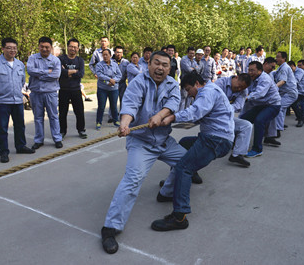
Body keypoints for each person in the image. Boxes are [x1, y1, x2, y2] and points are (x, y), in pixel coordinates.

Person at [101, 51, 186, 254]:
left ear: (169, 68)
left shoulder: (173, 84)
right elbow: (130, 105)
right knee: (132, 181)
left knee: (187, 162)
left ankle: (166, 192)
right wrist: (125, 124)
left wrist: (160, 115)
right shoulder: (139, 82)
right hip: (141, 143)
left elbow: (173, 103)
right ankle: (110, 227)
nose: (160, 68)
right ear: (149, 64)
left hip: (164, 141)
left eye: (165, 65)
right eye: (156, 63)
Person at [150, 71, 234, 232]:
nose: (189, 94)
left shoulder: (208, 92)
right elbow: (196, 115)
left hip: (216, 140)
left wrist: (172, 117)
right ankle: (183, 180)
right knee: (184, 144)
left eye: (189, 89)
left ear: (197, 84)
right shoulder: (210, 91)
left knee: (183, 168)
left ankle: (179, 216)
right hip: (213, 138)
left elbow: (196, 111)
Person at [0, 37, 35, 162]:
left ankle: (21, 146)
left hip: (17, 100)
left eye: (14, 48)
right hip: (1, 102)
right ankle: (4, 152)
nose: (12, 50)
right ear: (2, 49)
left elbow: (22, 81)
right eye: (9, 48)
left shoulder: (19, 64)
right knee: (2, 128)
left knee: (20, 126)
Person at [27, 37, 63, 150]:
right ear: (39, 47)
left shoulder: (55, 60)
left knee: (53, 116)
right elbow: (30, 71)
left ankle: (57, 139)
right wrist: (47, 72)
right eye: (42, 46)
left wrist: (38, 75)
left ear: (51, 48)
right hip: (36, 93)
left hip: (50, 93)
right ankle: (38, 140)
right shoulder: (32, 58)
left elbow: (56, 75)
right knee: (38, 117)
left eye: (47, 47)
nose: (44, 49)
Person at [240, 61, 281, 157]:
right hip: (260, 105)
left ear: (260, 70)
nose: (250, 72)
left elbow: (259, 93)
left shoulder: (265, 79)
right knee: (243, 120)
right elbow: (245, 90)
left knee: (259, 121)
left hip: (273, 105)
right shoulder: (251, 78)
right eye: (249, 70)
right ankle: (237, 143)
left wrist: (245, 98)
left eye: (252, 70)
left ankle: (257, 149)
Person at [215, 73, 252, 167]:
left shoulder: (244, 90)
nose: (239, 89)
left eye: (242, 88)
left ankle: (237, 155)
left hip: (226, 116)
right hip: (214, 117)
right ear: (236, 78)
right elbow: (213, 102)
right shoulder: (220, 83)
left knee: (247, 125)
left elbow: (239, 106)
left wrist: (225, 108)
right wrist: (226, 108)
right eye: (239, 86)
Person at [58, 38, 87, 139]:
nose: (73, 49)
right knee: (62, 112)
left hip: (76, 90)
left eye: (75, 47)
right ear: (67, 47)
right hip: (63, 89)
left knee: (79, 111)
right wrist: (74, 71)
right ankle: (62, 131)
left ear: (78, 48)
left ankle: (81, 130)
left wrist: (67, 71)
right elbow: (59, 72)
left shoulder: (80, 60)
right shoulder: (61, 59)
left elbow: (81, 74)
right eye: (71, 46)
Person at [95, 49, 122, 130]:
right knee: (101, 106)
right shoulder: (99, 65)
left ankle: (116, 120)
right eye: (104, 55)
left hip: (114, 89)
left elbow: (119, 75)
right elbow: (100, 75)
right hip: (102, 89)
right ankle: (99, 122)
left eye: (107, 54)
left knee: (114, 106)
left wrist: (114, 81)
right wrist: (109, 80)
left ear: (110, 55)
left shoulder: (115, 64)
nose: (105, 56)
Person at [274, 52, 298, 133]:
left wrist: (273, 88)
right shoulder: (281, 67)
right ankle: (280, 125)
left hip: (289, 93)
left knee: (279, 107)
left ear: (283, 58)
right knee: (282, 109)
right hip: (286, 93)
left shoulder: (284, 68)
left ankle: (278, 128)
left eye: (278, 57)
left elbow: (283, 81)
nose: (276, 58)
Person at [289, 61, 304, 127]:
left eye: (290, 68)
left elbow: (295, 81)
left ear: (293, 66)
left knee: (294, 103)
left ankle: (301, 119)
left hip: (300, 92)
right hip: (294, 91)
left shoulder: (300, 71)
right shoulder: (291, 71)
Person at [112, 46, 129, 112]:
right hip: (114, 84)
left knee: (123, 100)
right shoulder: (110, 61)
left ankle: (122, 115)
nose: (119, 54)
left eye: (120, 52)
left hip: (122, 84)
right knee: (113, 100)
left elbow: (129, 73)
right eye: (117, 52)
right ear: (114, 52)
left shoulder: (126, 62)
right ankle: (112, 116)